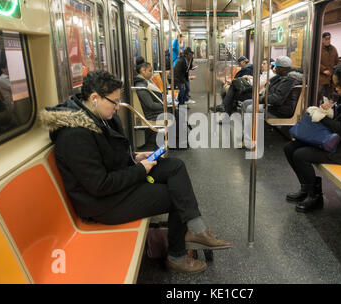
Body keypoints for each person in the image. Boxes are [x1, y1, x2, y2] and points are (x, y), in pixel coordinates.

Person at [39, 70, 231, 273]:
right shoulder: (75, 135)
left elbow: (108, 158)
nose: (117, 106)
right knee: (175, 196)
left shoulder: (98, 116)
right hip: (102, 204)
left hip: (117, 183)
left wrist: (133, 158)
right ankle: (176, 255)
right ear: (94, 98)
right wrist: (140, 170)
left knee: (175, 166)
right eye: (113, 101)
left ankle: (196, 229)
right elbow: (99, 185)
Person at [284, 59, 341, 213]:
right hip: (334, 143)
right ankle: (306, 188)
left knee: (301, 155)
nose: (336, 89)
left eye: (339, 85)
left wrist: (322, 117)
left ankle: (315, 196)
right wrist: (326, 110)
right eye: (335, 85)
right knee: (289, 148)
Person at [241, 56, 302, 147]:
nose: (275, 68)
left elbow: (277, 99)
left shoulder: (289, 80)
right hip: (273, 104)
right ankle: (246, 134)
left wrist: (262, 99)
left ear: (283, 68)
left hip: (281, 109)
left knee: (251, 109)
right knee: (245, 103)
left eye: (277, 66)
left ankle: (249, 140)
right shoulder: (281, 77)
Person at [318, 32, 340, 104]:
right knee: (319, 92)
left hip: (330, 77)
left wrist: (340, 68)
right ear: (322, 39)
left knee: (328, 95)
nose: (328, 40)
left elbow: (337, 60)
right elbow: (316, 61)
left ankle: (326, 109)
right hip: (321, 77)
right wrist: (323, 70)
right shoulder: (319, 48)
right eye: (326, 39)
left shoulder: (333, 49)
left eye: (329, 38)